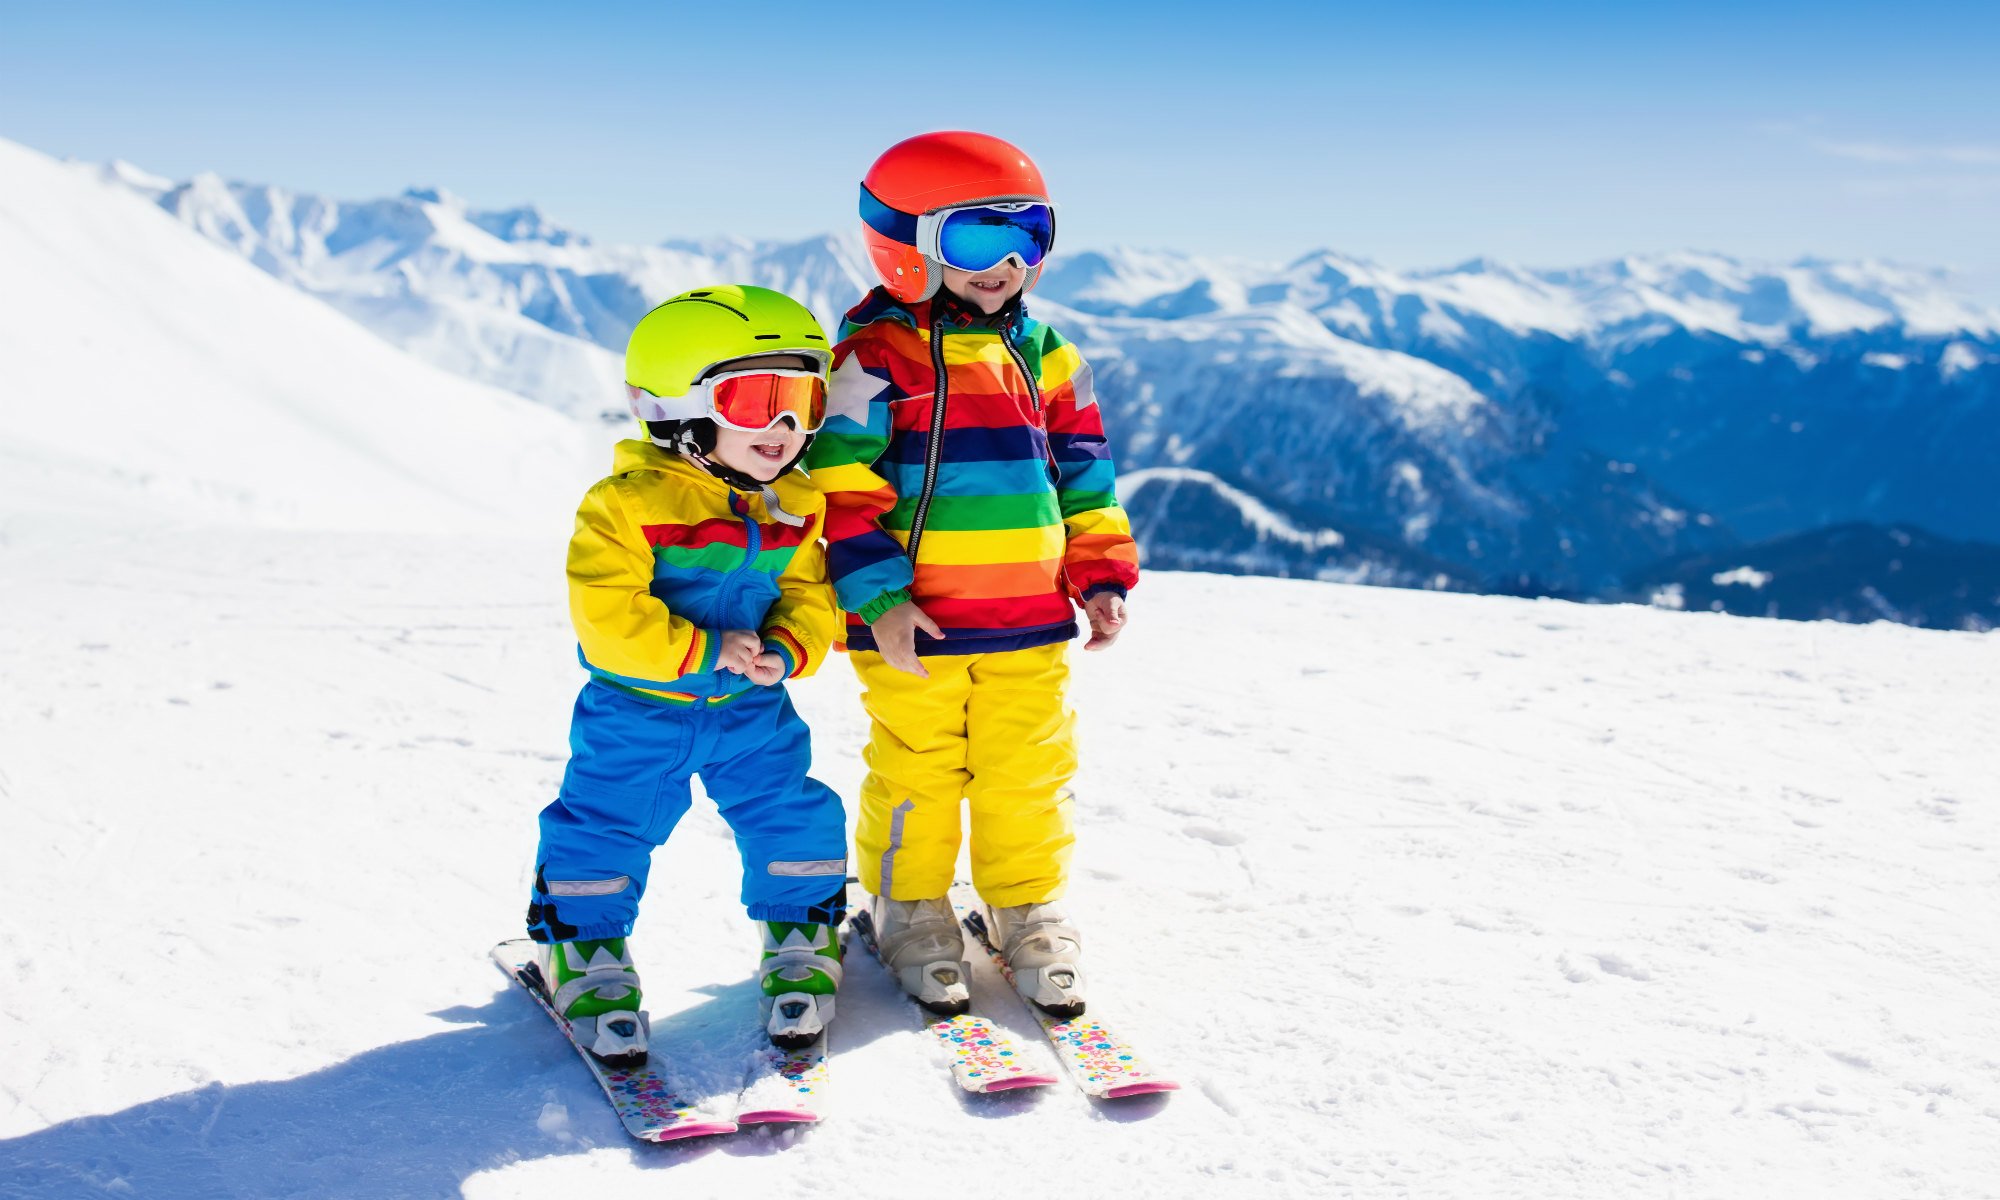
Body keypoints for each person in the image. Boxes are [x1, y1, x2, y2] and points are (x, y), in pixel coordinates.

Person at [806, 131, 1139, 1019]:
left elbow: (1086, 473)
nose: (1003, 264)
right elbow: (839, 484)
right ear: (908, 245)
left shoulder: (1048, 351)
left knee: (1026, 769)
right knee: (918, 769)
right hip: (914, 621)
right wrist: (878, 597)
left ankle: (1023, 904)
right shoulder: (876, 355)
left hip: (1028, 618)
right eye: (973, 240)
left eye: (1027, 236)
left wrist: (1100, 572)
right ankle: (910, 908)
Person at [524, 285, 848, 1063]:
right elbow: (608, 616)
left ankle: (800, 932)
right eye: (757, 399)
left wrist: (789, 646)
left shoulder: (795, 503)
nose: (785, 427)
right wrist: (703, 649)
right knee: (604, 825)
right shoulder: (625, 506)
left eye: (803, 401)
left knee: (791, 813)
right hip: (639, 711)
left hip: (750, 710)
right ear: (677, 409)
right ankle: (582, 949)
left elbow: (810, 591)